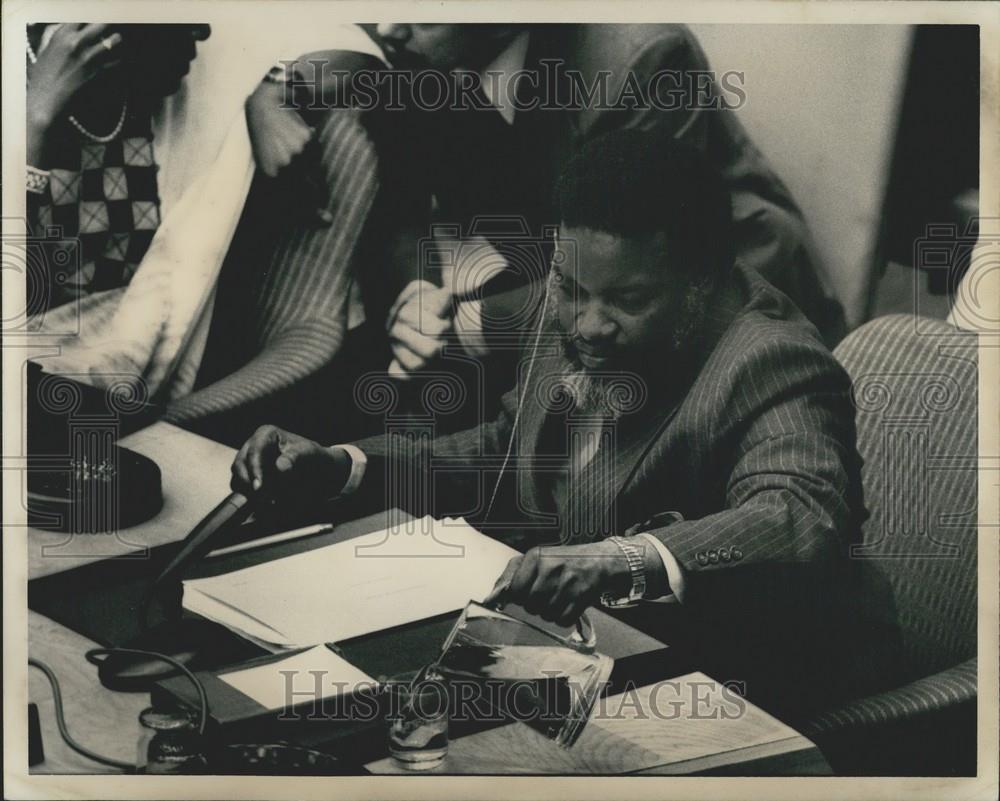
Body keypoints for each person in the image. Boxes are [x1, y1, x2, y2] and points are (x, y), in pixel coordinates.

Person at [230, 131, 865, 718]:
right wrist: (344, 466)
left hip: (723, 693)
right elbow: (504, 448)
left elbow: (798, 518)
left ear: (703, 282)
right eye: (570, 288)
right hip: (563, 661)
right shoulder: (581, 295)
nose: (588, 323)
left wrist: (619, 561)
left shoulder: (771, 360)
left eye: (629, 302)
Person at [358, 22, 848, 388]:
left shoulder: (642, 60)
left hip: (721, 302)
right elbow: (405, 201)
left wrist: (463, 326)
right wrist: (419, 304)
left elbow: (633, 275)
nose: (387, 26)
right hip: (566, 290)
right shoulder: (421, 47)